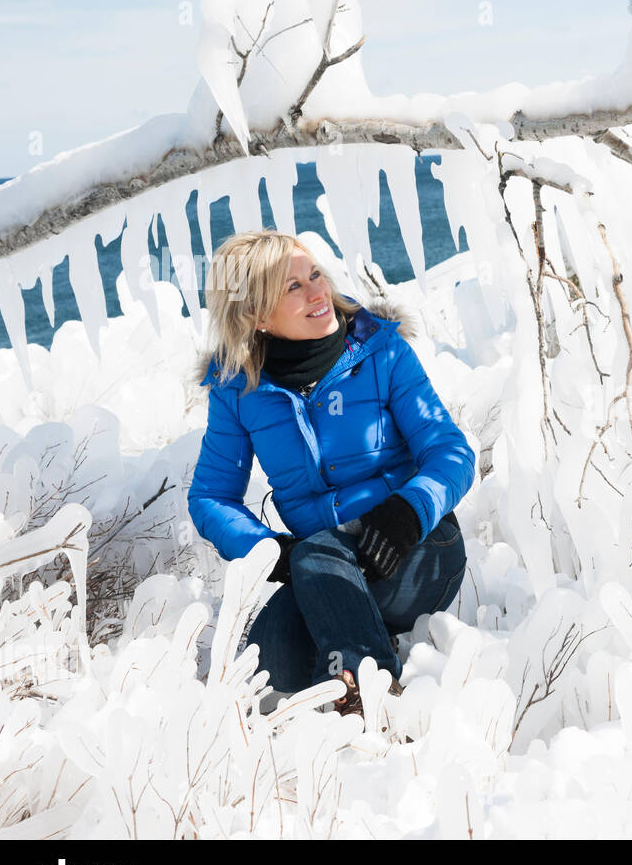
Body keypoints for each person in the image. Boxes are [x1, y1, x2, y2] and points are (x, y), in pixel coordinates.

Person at [187, 230, 474, 716]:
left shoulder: (381, 352)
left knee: (315, 574)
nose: (318, 292)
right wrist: (269, 551)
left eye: (314, 274)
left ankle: (371, 696)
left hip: (418, 546)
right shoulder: (238, 389)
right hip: (320, 564)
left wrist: (408, 510)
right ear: (256, 314)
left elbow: (450, 451)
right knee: (269, 658)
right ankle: (353, 640)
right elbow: (211, 496)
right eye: (292, 287)